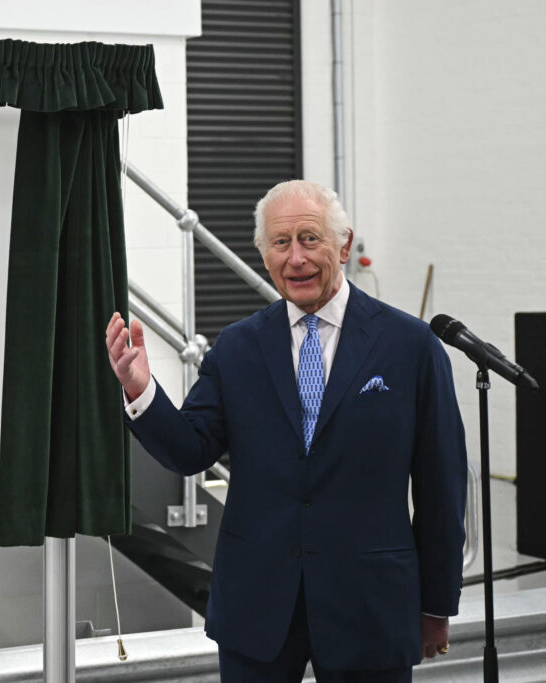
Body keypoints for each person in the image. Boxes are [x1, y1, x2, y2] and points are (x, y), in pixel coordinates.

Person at [105, 180, 467, 681]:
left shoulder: (412, 346)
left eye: (310, 239)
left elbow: (441, 487)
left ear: (343, 244)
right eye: (280, 243)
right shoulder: (235, 349)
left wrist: (437, 603)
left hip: (371, 607)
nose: (295, 257)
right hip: (257, 607)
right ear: (263, 254)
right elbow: (190, 450)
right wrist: (141, 389)